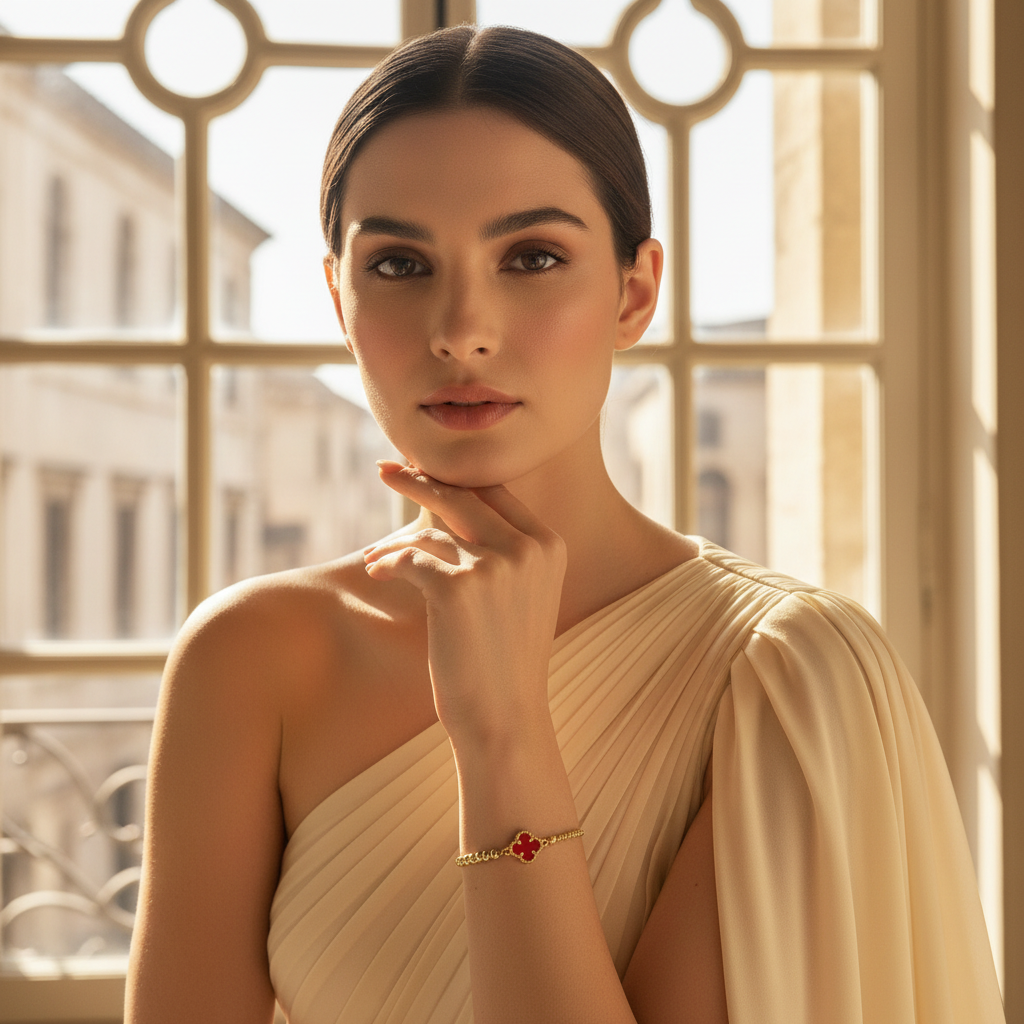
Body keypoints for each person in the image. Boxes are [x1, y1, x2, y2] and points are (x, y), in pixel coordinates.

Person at [125, 24, 1004, 1024]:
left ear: (633, 293)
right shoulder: (247, 660)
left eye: (532, 256)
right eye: (400, 266)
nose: (461, 329)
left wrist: (503, 736)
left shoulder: (789, 681)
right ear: (338, 296)